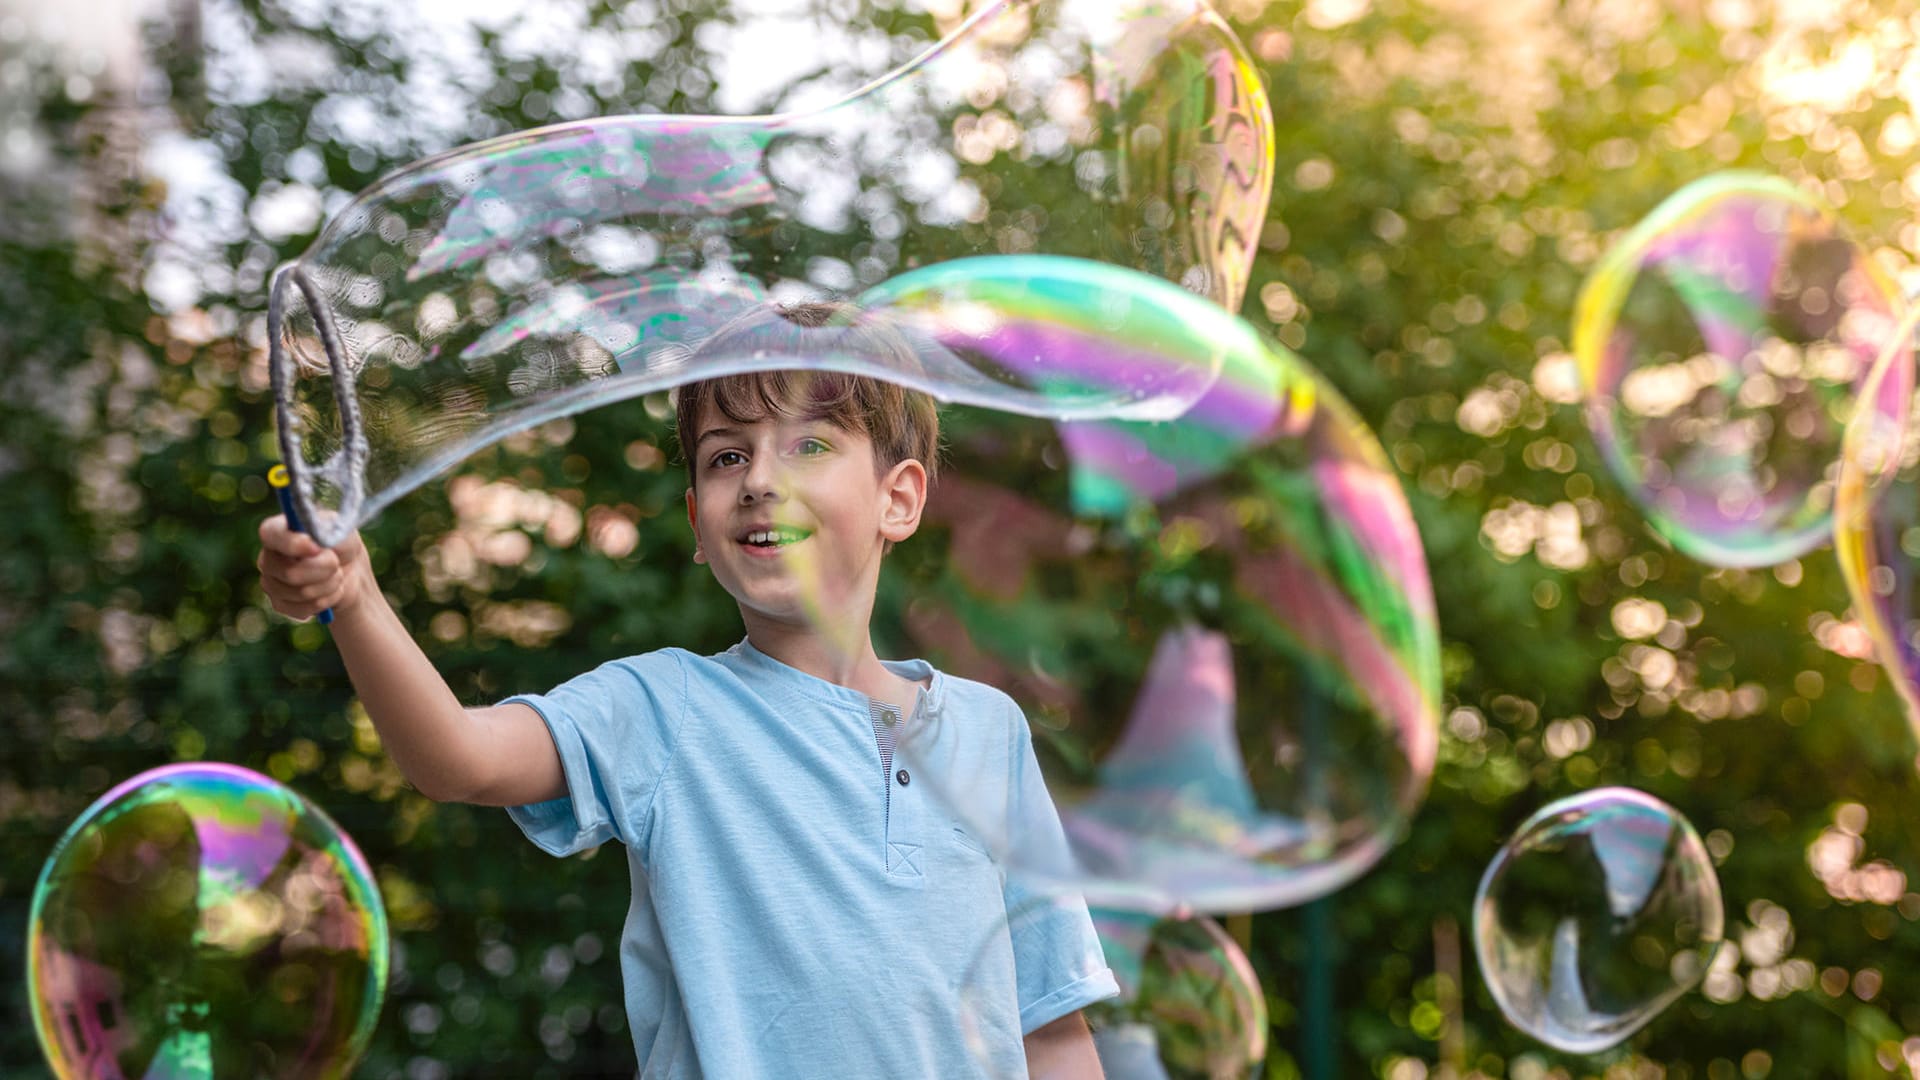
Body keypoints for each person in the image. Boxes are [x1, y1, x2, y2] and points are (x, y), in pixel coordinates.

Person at [257, 300, 1118, 1078]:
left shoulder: (989, 731)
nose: (758, 479)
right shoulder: (664, 709)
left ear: (900, 499)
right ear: (700, 527)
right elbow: (458, 760)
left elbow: (1049, 1026)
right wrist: (355, 598)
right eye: (726, 456)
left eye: (809, 444)